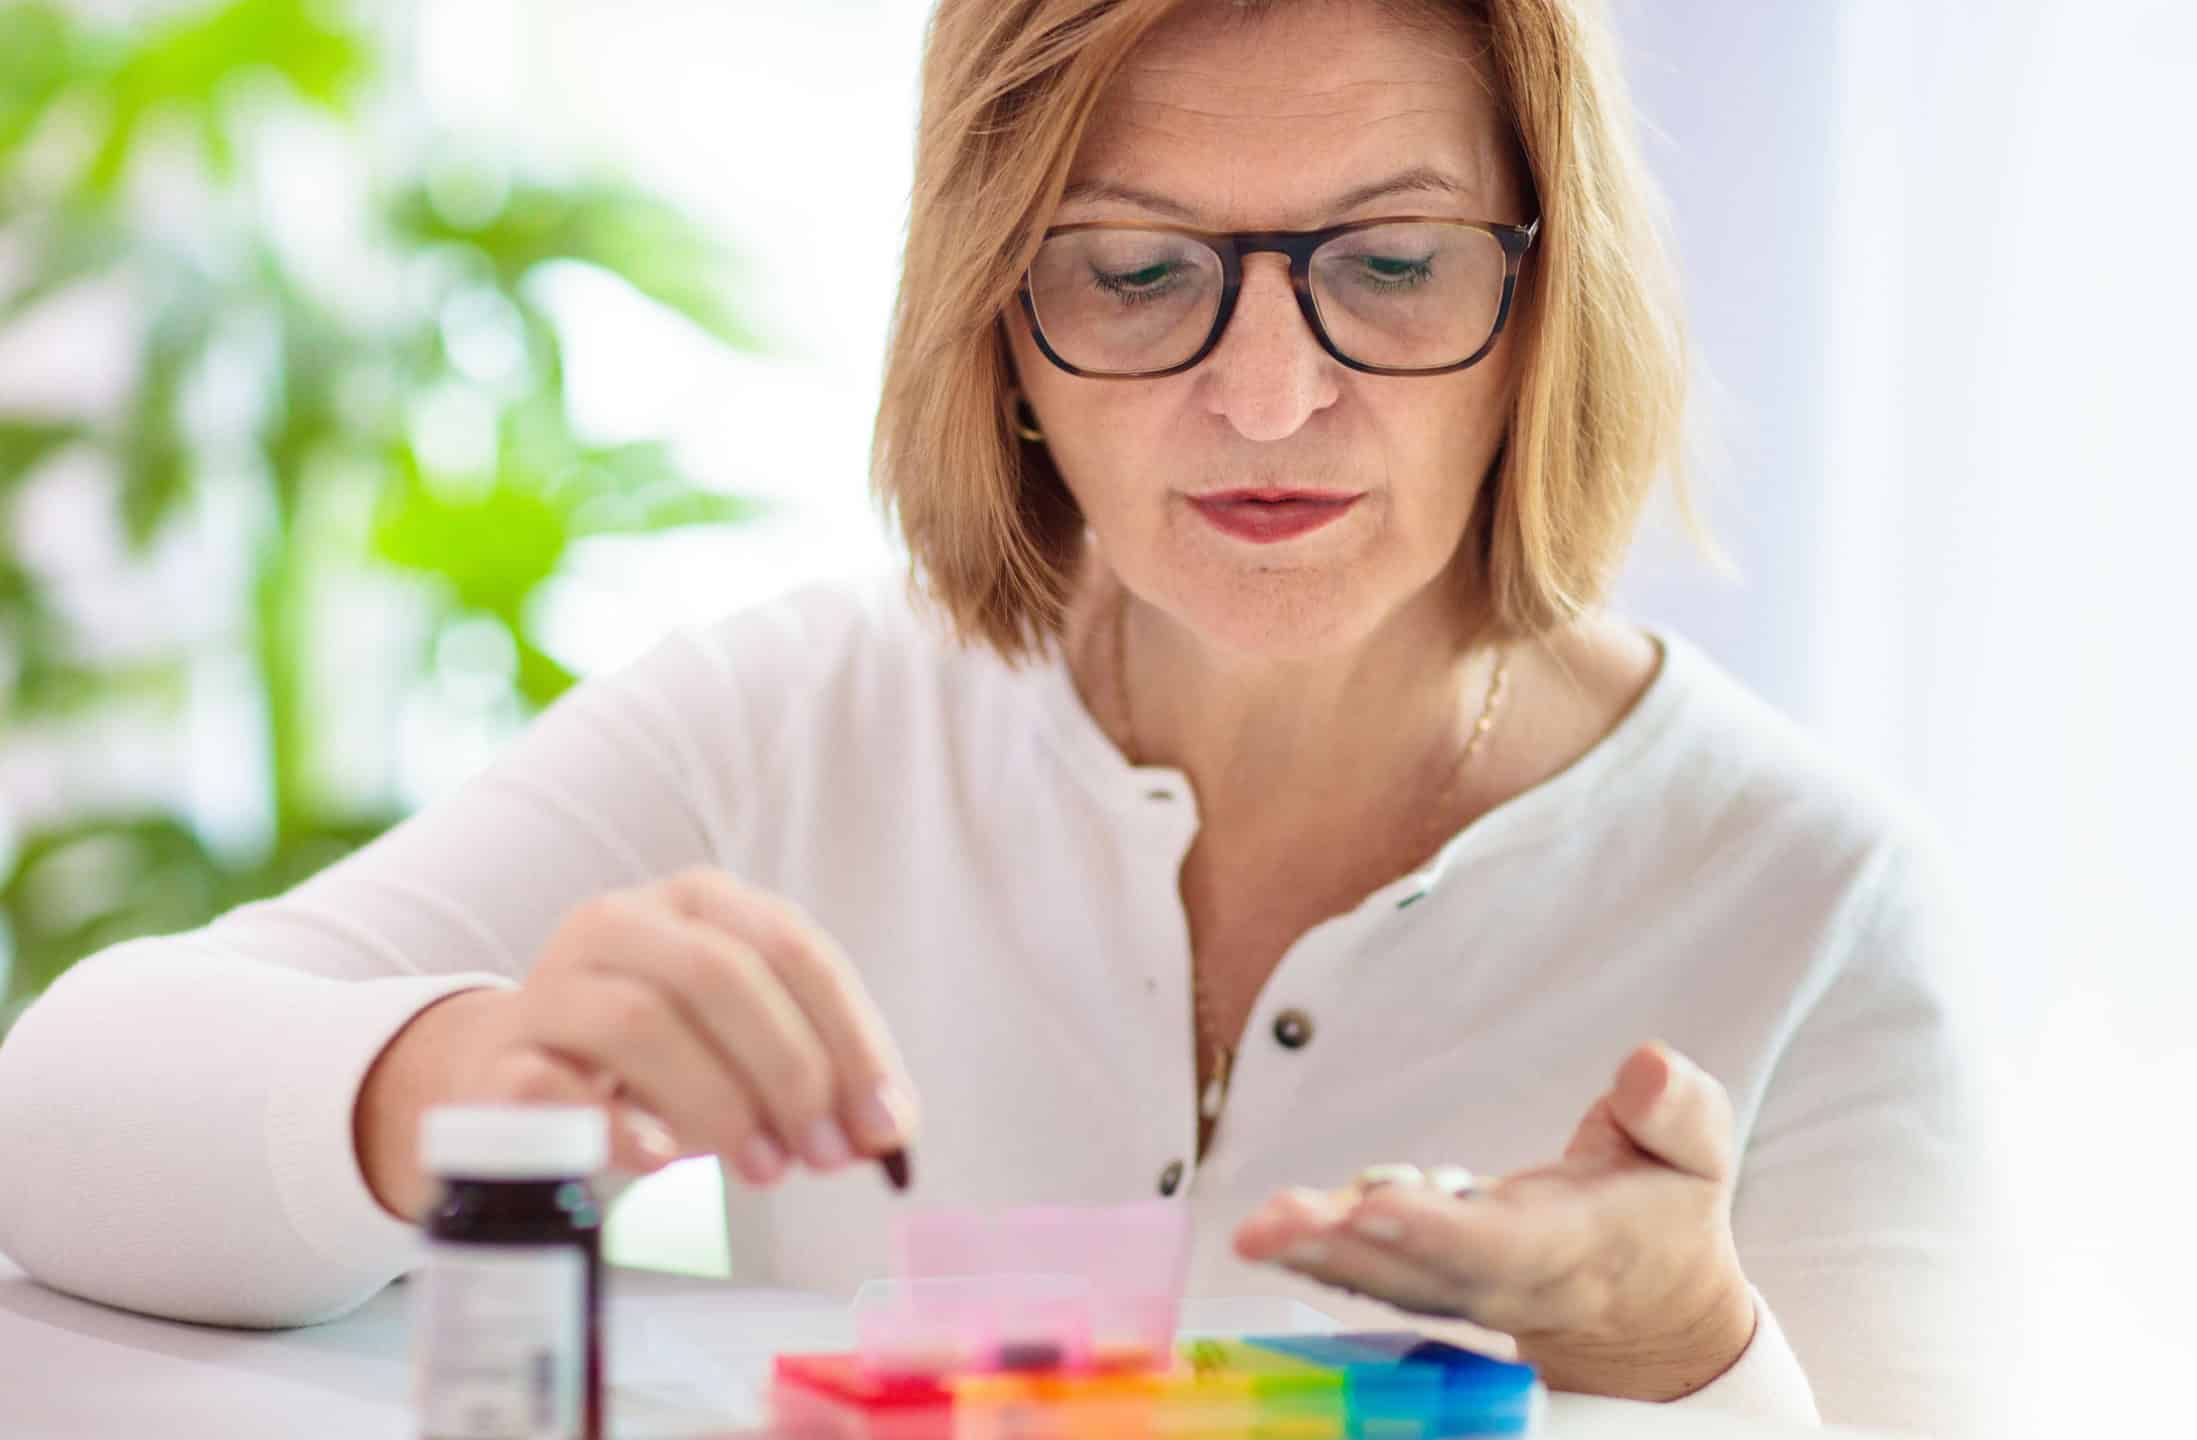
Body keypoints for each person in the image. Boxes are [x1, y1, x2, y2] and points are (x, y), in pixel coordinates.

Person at [0, 0, 2008, 1430]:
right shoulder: (800, 719)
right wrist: (459, 1080)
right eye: (1132, 274)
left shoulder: (1802, 896)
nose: (1266, 396)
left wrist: (1688, 1363)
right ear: (995, 325)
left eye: (1388, 265)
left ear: (1542, 307)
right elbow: (68, 1118)